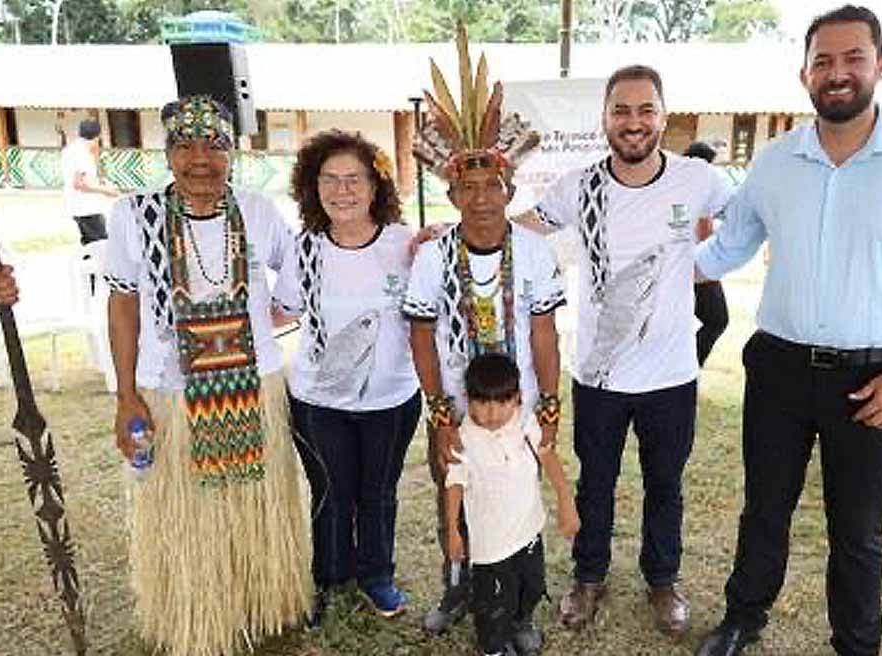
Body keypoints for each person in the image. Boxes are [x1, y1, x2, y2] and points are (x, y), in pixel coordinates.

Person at [693, 6, 882, 656]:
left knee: (858, 530)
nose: (837, 73)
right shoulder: (776, 162)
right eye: (823, 61)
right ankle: (743, 618)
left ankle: (857, 644)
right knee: (763, 512)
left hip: (873, 380)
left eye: (852, 58)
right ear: (803, 73)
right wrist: (649, 256)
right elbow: (725, 251)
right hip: (776, 368)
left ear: (880, 66)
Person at [514, 65, 733, 636]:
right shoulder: (579, 185)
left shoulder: (696, 180)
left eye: (644, 110)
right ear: (605, 118)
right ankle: (589, 577)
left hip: (670, 373)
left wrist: (706, 267)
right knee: (596, 481)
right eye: (621, 111)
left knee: (665, 483)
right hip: (599, 374)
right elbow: (523, 230)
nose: (633, 122)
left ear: (663, 116)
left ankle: (663, 580)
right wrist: (457, 232)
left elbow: (749, 222)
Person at [104, 95, 310, 656]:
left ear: (233, 153)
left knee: (254, 505)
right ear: (167, 154)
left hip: (253, 385)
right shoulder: (134, 214)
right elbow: (122, 303)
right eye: (186, 146)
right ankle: (196, 615)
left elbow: (295, 281)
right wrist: (126, 395)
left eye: (215, 145)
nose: (201, 159)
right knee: (185, 510)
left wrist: (260, 325)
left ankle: (259, 603)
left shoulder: (257, 211)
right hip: (168, 388)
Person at [403, 28, 566, 636]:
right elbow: (422, 337)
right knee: (458, 492)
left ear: (510, 189)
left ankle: (520, 608)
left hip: (517, 405)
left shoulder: (536, 253)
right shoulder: (430, 258)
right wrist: (441, 410)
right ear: (451, 193)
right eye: (466, 188)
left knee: (521, 497)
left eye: (490, 186)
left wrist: (548, 403)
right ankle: (459, 589)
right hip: (456, 405)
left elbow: (545, 335)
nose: (479, 198)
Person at [273, 129, 421, 623]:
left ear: (376, 186)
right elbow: (281, 310)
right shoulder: (305, 249)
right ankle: (329, 578)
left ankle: (377, 576)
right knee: (331, 492)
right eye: (330, 180)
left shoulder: (407, 245)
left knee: (377, 492)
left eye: (354, 180)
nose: (342, 191)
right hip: (317, 402)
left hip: (391, 399)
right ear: (312, 188)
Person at [445, 352, 580, 656]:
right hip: (490, 547)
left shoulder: (525, 422)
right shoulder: (462, 439)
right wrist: (453, 529)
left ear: (518, 398)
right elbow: (454, 484)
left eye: (503, 402)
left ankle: (521, 623)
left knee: (531, 586)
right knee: (492, 603)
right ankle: (493, 646)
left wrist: (565, 499)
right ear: (468, 399)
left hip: (528, 532)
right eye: (483, 402)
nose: (492, 412)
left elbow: (547, 455)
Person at [684, 141, 730, 366]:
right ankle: (690, 364)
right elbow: (704, 232)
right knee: (717, 320)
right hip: (699, 269)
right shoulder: (704, 184)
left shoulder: (678, 182)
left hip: (677, 266)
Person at [61, 119, 116, 245]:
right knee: (100, 247)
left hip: (76, 206)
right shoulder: (83, 153)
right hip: (88, 208)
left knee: (89, 247)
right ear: (98, 136)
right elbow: (79, 183)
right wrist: (107, 190)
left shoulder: (70, 149)